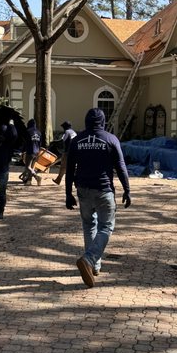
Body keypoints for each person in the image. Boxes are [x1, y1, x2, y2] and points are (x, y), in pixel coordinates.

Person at [65, 108, 131, 287]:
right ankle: (89, 259)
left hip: (83, 191)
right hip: (103, 190)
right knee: (107, 227)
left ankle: (94, 266)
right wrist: (127, 190)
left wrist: (68, 193)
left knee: (89, 225)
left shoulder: (77, 141)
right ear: (103, 121)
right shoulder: (111, 139)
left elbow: (70, 169)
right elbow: (121, 167)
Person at [52, 121, 76, 185]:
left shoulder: (67, 132)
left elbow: (63, 140)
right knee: (72, 166)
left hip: (67, 152)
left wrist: (54, 142)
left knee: (63, 166)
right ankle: (75, 180)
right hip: (74, 152)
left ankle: (58, 180)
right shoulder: (73, 132)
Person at [19, 118, 42, 185]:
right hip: (37, 152)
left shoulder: (28, 131)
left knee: (27, 167)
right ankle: (29, 181)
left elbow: (25, 142)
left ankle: (37, 176)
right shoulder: (39, 132)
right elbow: (40, 143)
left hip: (30, 151)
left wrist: (22, 151)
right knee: (32, 167)